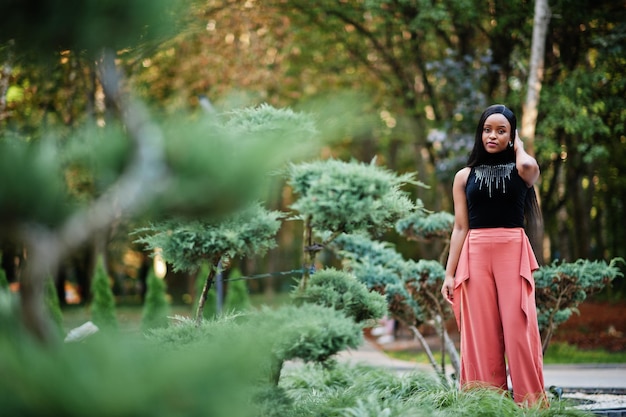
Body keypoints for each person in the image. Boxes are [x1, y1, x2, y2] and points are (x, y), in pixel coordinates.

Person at [440, 104, 547, 407]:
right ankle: (485, 405)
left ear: (512, 136)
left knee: (518, 330)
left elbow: (531, 167)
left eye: (502, 131)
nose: (492, 135)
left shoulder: (522, 169)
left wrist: (520, 147)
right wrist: (449, 274)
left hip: (512, 251)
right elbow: (460, 227)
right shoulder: (464, 176)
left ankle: (532, 406)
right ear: (480, 133)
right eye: (487, 129)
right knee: (481, 337)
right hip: (474, 254)